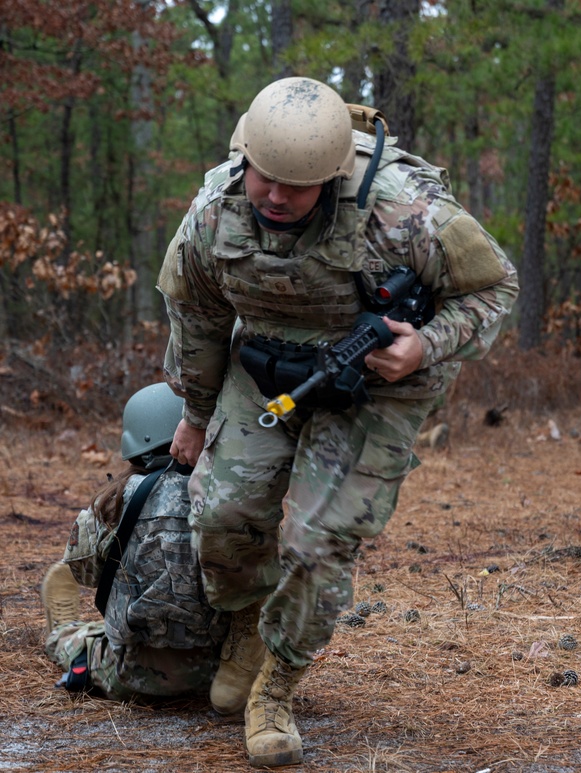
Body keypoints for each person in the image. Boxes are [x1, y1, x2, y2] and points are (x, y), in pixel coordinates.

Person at [157, 76, 518, 767]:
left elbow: (496, 286)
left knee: (320, 540)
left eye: (298, 185)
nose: (277, 197)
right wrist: (195, 413)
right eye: (267, 179)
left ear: (331, 176)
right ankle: (245, 625)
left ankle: (278, 682)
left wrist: (425, 346)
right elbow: (198, 317)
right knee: (223, 513)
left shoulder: (404, 211)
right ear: (245, 160)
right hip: (263, 362)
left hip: (378, 381)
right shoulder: (214, 212)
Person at [40, 383, 229, 700]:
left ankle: (63, 631)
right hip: (224, 675)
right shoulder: (233, 499)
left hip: (131, 673)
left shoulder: (114, 503)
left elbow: (83, 573)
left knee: (83, 639)